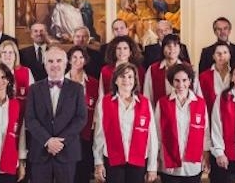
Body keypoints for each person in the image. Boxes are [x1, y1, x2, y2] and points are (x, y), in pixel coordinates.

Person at [25, 46, 87, 183]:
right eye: (50, 61)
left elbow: (81, 118)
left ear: (66, 64)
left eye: (59, 61)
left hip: (67, 151)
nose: (55, 65)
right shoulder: (34, 89)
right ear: (45, 64)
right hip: (40, 151)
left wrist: (59, 142)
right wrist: (47, 140)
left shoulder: (77, 89)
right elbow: (30, 119)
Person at [92, 63, 159, 183]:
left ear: (135, 80)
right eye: (122, 76)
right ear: (116, 80)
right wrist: (98, 162)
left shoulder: (145, 103)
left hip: (138, 160)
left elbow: (152, 137)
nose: (126, 80)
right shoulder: (105, 102)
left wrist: (152, 167)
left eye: (130, 77)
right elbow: (99, 135)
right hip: (113, 159)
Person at [155, 63, 210, 183]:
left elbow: (205, 132)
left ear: (190, 81)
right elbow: (157, 133)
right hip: (169, 164)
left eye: (184, 80)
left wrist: (206, 154)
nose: (181, 84)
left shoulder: (200, 103)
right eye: (177, 80)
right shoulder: (162, 103)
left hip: (193, 164)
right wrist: (156, 157)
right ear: (171, 81)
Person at [65, 46, 100, 183]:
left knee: (83, 172)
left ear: (85, 60)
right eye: (74, 57)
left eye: (81, 57)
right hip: (65, 135)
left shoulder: (94, 83)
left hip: (86, 134)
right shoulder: (61, 81)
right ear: (69, 60)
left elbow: (97, 109)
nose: (78, 60)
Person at [143, 34, 190, 105]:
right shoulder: (153, 69)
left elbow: (196, 93)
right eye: (168, 46)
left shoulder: (188, 68)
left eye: (175, 45)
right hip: (160, 111)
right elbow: (147, 95)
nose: (172, 49)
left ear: (180, 48)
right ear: (163, 48)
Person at [0, 40, 35, 119]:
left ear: (15, 55)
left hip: (21, 117)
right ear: (0, 55)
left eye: (11, 52)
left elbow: (33, 97)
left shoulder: (26, 72)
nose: (8, 55)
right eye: (4, 52)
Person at [197, 43, 232, 112]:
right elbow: (200, 100)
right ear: (213, 56)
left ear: (229, 55)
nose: (222, 56)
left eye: (225, 52)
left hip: (231, 116)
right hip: (210, 115)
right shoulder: (203, 77)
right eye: (218, 53)